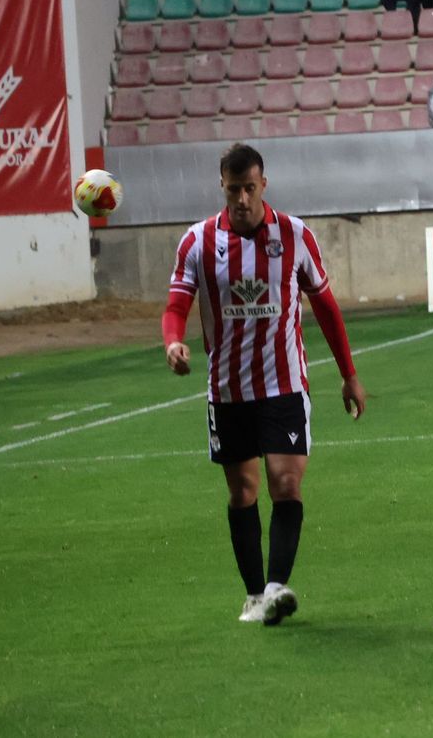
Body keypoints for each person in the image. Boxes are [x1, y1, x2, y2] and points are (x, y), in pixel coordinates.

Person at [162, 142, 366, 625]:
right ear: (223, 187)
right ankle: (255, 594)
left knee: (287, 482)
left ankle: (276, 589)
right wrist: (173, 342)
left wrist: (349, 374)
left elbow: (326, 308)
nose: (242, 199)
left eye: (250, 188)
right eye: (234, 190)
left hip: (285, 384)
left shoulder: (296, 236)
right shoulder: (197, 242)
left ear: (263, 184)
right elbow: (176, 306)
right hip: (229, 390)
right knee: (243, 492)